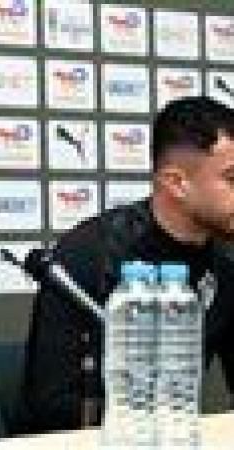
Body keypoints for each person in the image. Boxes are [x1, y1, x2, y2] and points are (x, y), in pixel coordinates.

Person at [22, 95, 234, 433]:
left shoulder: (226, 261)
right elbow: (51, 405)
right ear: (176, 183)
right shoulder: (89, 255)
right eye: (232, 179)